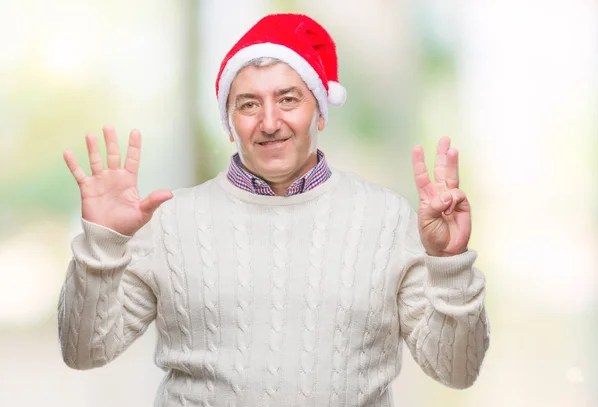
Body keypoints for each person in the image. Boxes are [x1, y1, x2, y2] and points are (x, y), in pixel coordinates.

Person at [58, 13, 490, 407]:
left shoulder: (387, 219)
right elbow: (84, 352)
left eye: (288, 99)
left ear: (319, 112)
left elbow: (456, 371)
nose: (268, 122)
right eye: (248, 104)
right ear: (229, 122)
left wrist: (449, 264)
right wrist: (102, 244)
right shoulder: (170, 222)